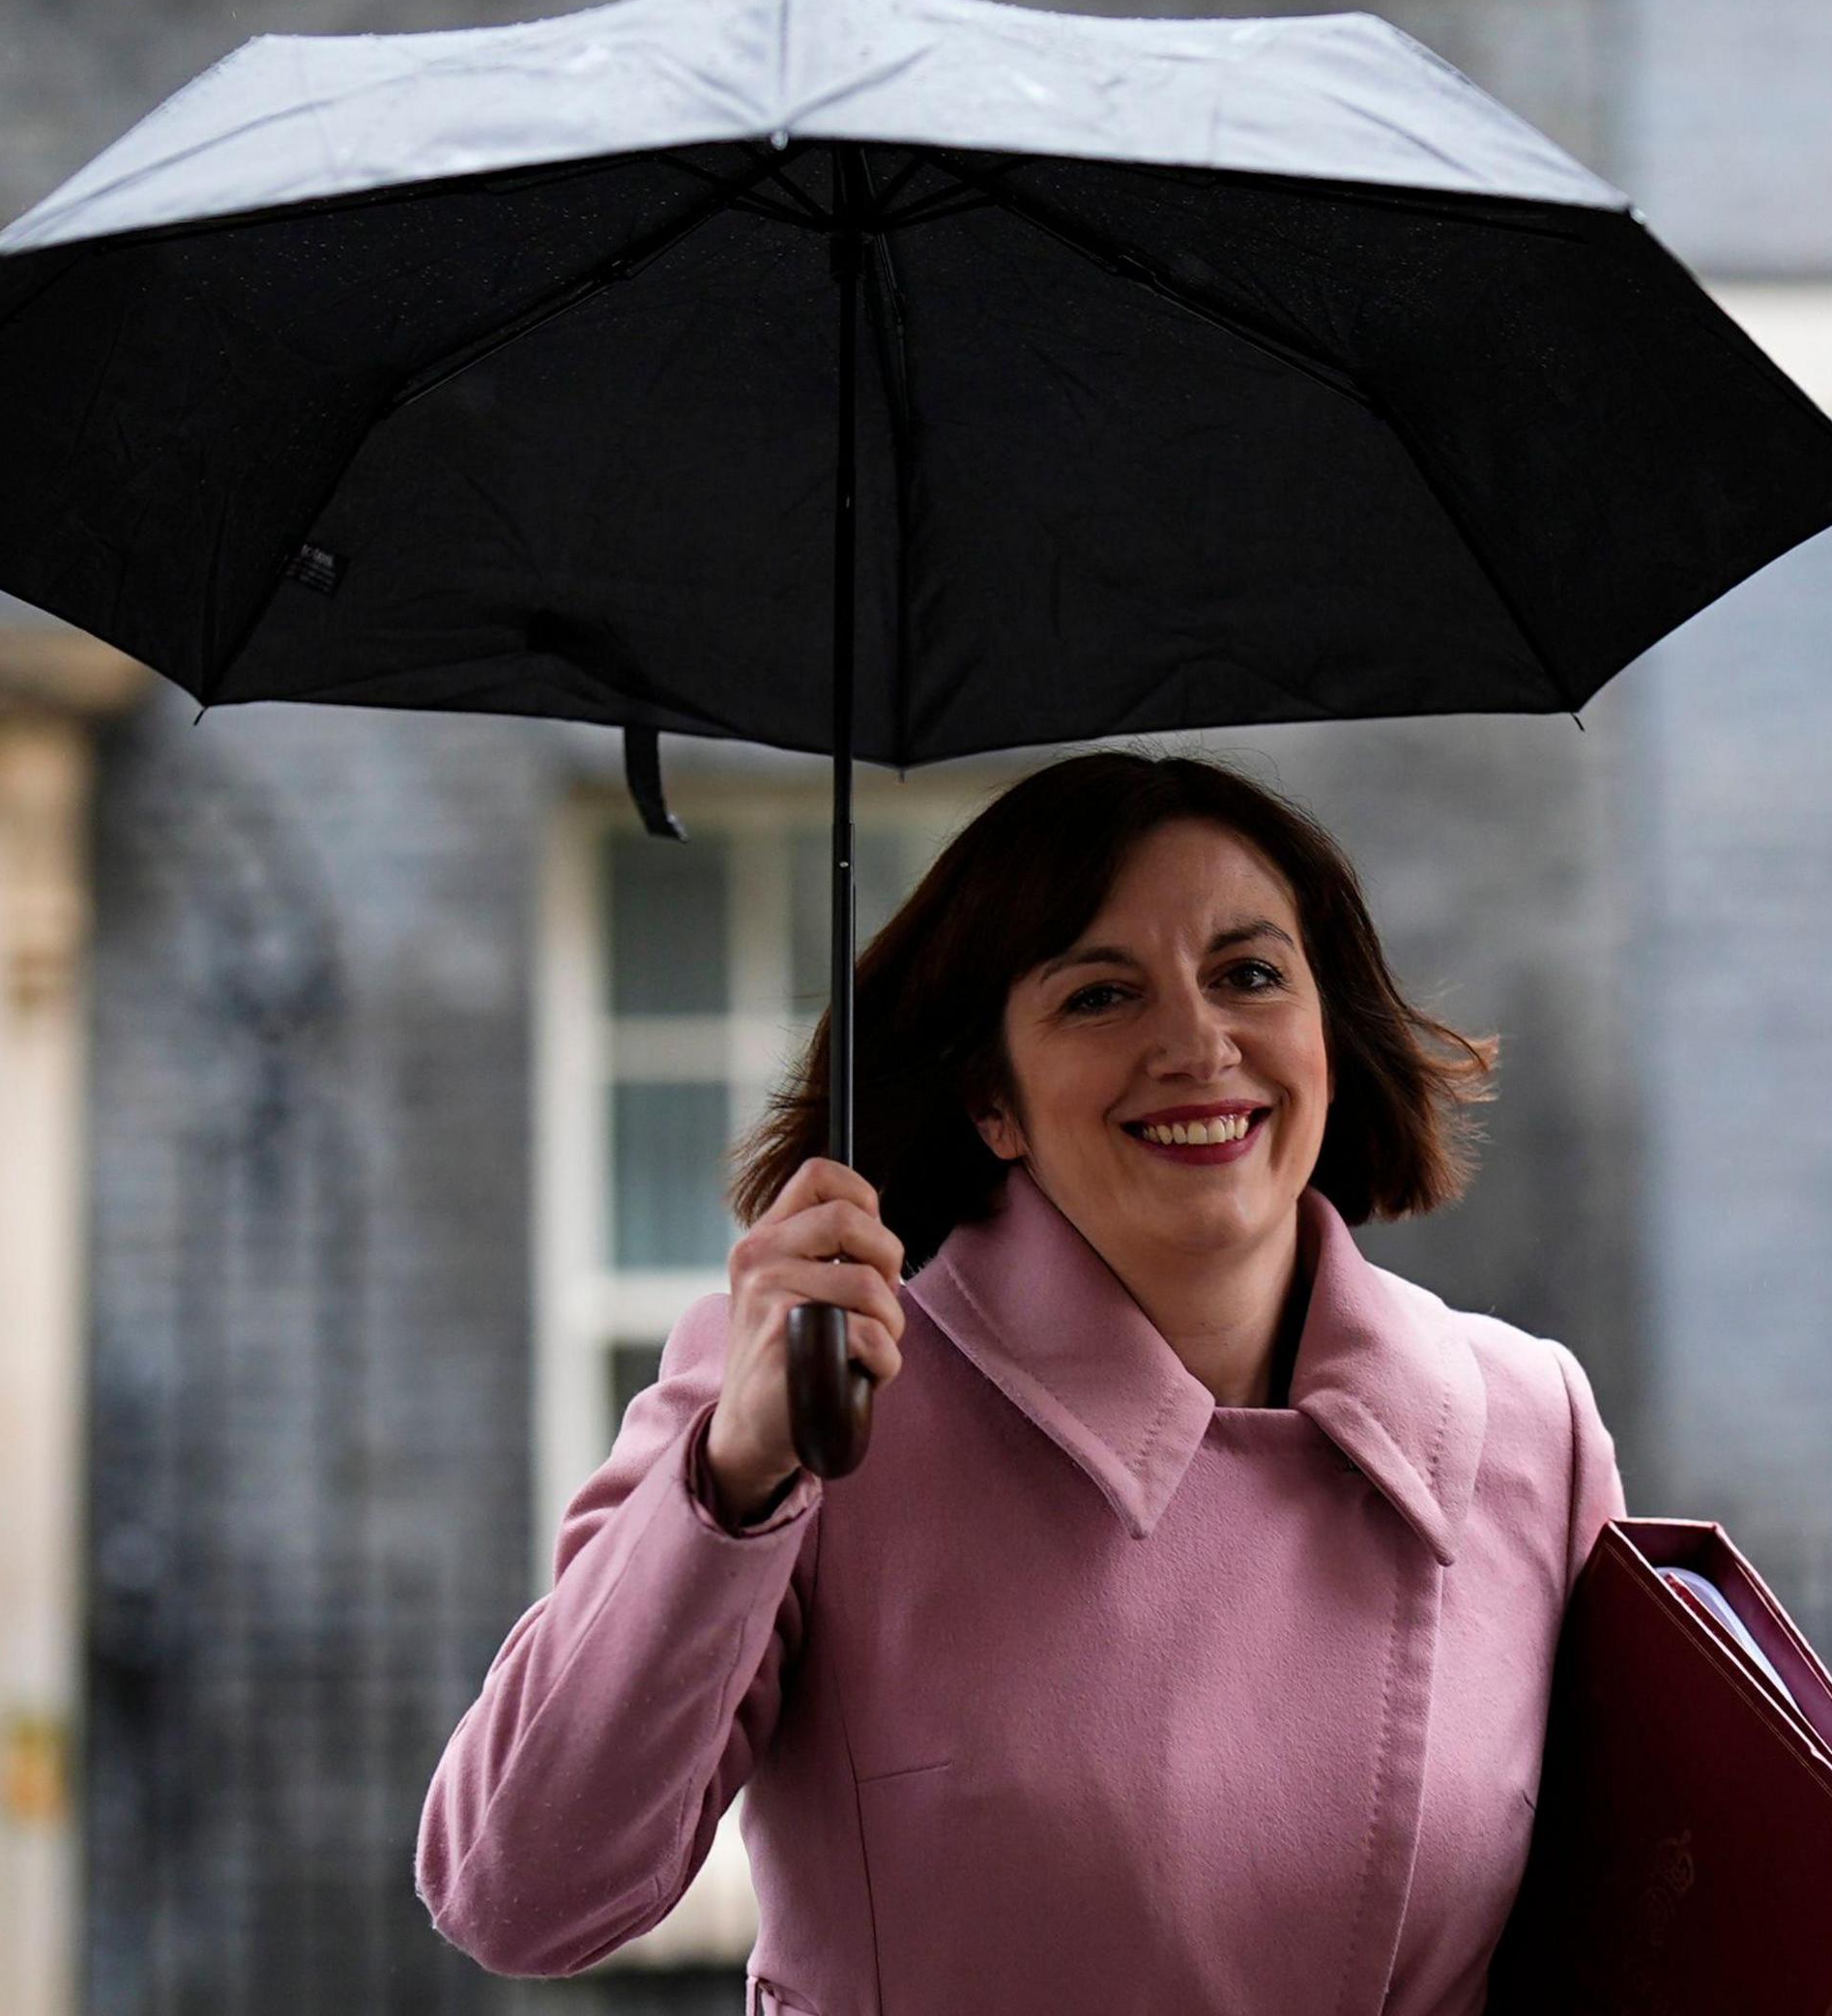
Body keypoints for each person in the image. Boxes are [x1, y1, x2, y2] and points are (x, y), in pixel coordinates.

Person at [417, 749, 1627, 2015]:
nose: (1197, 1042)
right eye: (1102, 997)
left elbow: (1637, 1920)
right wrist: (731, 1476)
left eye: (1250, 975)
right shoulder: (823, 1400)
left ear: (1325, 1030)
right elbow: (518, 1895)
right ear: (994, 1099)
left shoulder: (1525, 1423)